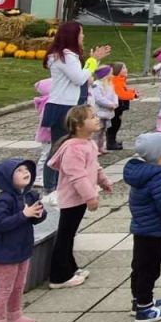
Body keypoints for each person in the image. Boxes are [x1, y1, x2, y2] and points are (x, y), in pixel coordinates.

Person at [46, 105, 112, 289]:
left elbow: (94, 166)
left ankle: (70, 268)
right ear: (78, 125)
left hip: (80, 198)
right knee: (65, 236)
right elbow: (77, 176)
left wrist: (103, 181)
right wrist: (91, 197)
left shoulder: (89, 144)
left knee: (70, 234)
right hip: (72, 198)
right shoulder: (73, 148)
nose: (97, 119)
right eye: (92, 117)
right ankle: (58, 276)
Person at [41, 22, 110, 196]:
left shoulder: (66, 56)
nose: (83, 36)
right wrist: (93, 61)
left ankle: (61, 183)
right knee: (58, 148)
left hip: (66, 104)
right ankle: (50, 186)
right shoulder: (65, 56)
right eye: (80, 33)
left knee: (67, 147)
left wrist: (92, 61)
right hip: (62, 106)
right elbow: (79, 78)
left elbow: (81, 76)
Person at [0, 158, 45, 322]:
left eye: (26, 169)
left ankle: (14, 315)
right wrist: (23, 215)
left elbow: (35, 217)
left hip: (22, 249)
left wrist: (38, 214)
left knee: (19, 285)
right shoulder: (4, 200)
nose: (25, 172)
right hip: (4, 253)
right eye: (19, 170)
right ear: (6, 178)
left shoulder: (29, 196)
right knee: (5, 289)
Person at [126, 132, 161, 322]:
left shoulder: (142, 173)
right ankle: (144, 308)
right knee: (149, 269)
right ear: (159, 153)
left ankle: (138, 300)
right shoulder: (158, 176)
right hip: (153, 229)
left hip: (141, 227)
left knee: (139, 266)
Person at [108, 62, 137, 151]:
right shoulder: (116, 81)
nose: (126, 69)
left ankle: (113, 141)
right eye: (123, 68)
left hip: (119, 106)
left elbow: (124, 90)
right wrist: (133, 95)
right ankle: (110, 143)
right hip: (116, 106)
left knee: (117, 123)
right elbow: (121, 95)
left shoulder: (120, 79)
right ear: (117, 70)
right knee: (114, 124)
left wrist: (132, 92)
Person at [89, 65, 118, 154]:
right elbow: (99, 98)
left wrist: (115, 103)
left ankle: (101, 147)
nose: (112, 75)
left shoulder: (110, 84)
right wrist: (110, 104)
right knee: (96, 132)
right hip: (99, 112)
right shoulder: (97, 85)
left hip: (107, 113)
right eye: (110, 73)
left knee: (103, 131)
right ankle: (94, 149)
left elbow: (114, 95)